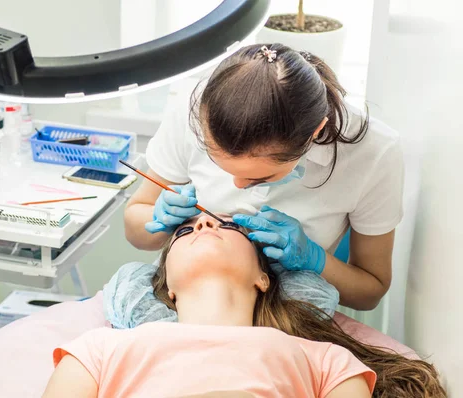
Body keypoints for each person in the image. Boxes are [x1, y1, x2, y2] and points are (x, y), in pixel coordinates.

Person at [123, 43, 404, 311]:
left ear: (315, 132)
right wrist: (159, 221)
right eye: (222, 166)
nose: (238, 186)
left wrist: (315, 260)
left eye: (261, 177)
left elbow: (370, 292)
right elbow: (136, 225)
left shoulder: (374, 153)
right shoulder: (193, 106)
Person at [43, 214, 444, 398]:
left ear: (263, 277)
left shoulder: (329, 362)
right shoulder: (97, 350)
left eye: (231, 226)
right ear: (169, 290)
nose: (203, 223)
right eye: (184, 230)